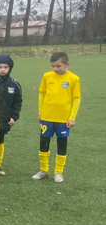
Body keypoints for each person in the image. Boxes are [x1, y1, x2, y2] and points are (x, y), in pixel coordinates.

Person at [33, 52, 80, 183]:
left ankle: (58, 172)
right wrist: (41, 112)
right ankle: (43, 170)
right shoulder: (47, 76)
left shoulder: (74, 79)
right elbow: (42, 94)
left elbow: (76, 99)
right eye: (53, 66)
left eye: (58, 66)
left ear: (67, 64)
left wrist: (72, 117)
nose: (55, 69)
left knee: (62, 144)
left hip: (63, 119)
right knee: (44, 143)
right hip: (47, 117)